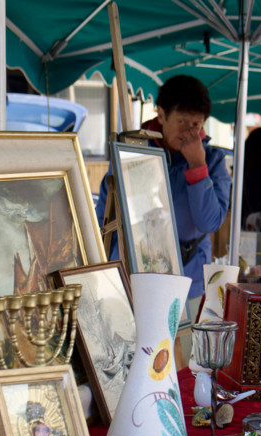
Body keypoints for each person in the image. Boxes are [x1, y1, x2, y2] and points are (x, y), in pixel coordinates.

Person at [95, 75, 230, 300]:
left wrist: (197, 167)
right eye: (181, 122)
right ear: (161, 114)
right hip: (131, 275)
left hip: (189, 280)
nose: (188, 132)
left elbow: (209, 222)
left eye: (195, 125)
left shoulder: (213, 161)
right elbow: (105, 215)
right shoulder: (131, 152)